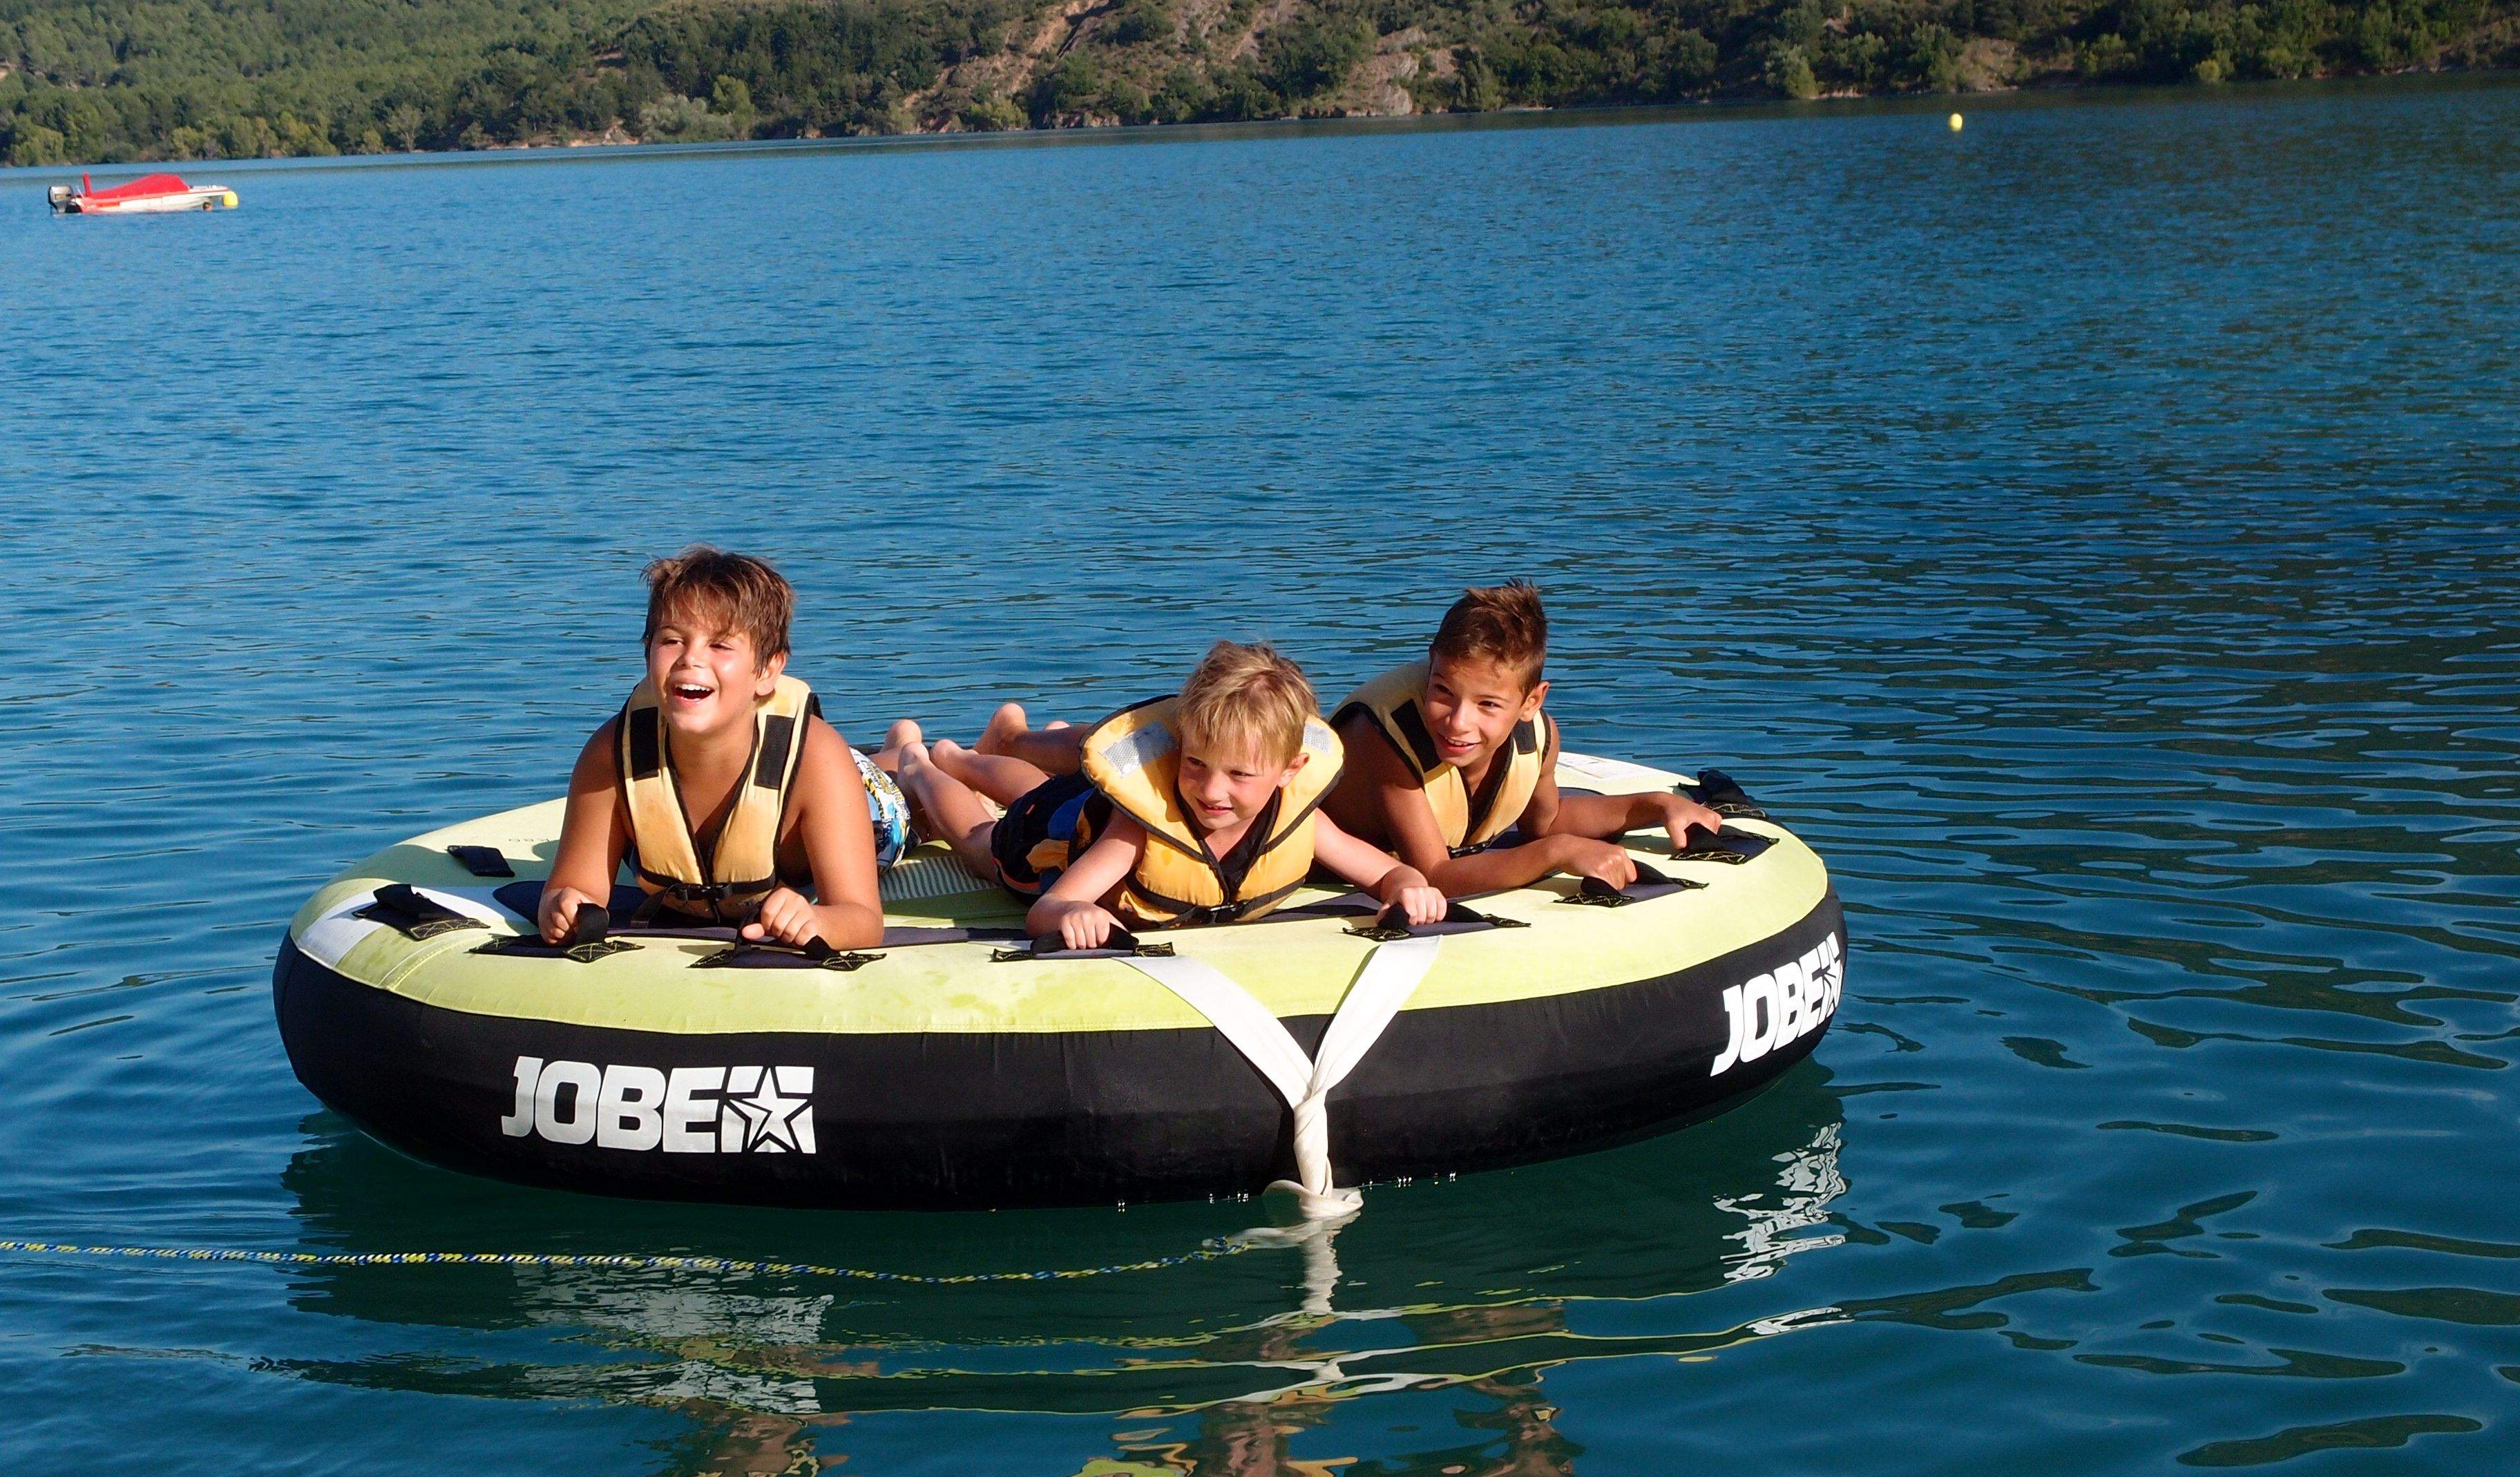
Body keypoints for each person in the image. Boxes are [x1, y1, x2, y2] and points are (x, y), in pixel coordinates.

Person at [891, 641, 1446, 949]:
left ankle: (982, 749)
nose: (1211, 790)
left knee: (1045, 791)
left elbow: (1388, 875)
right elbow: (1047, 908)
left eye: (1239, 775)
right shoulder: (1138, 828)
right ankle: (929, 762)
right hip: (1050, 844)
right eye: (1196, 763)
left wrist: (1409, 890)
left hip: (1076, 807)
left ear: (1290, 768)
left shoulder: (1300, 819)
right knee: (982, 838)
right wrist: (1073, 912)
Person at [536, 547, 895, 952]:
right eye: (672, 640)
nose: (691, 659)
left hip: (873, 801)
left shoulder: (817, 758)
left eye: (721, 646)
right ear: (648, 651)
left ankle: (913, 755)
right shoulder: (610, 757)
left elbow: (862, 918)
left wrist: (819, 919)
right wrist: (562, 907)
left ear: (767, 670)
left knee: (906, 786)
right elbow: (573, 887)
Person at [1322, 580, 1721, 899]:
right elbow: (1435, 875)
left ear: (1531, 701)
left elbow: (1545, 822)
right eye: (1443, 691)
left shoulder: (1539, 737)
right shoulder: (1384, 740)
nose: (1458, 722)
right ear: (1431, 666)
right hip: (1318, 868)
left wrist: (1658, 804)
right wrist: (1559, 853)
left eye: (1488, 705)